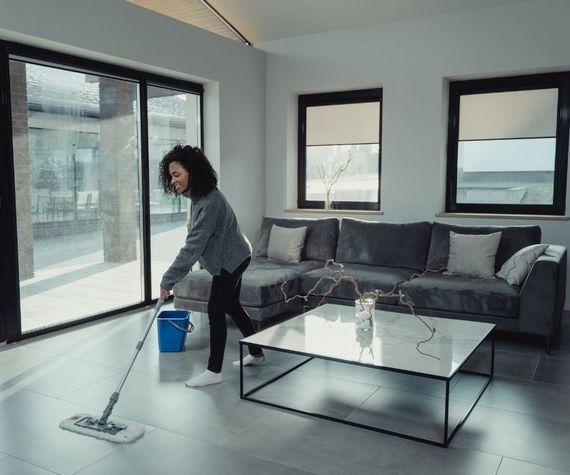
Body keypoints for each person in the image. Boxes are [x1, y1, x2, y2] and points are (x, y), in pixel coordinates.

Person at [159, 145, 265, 387]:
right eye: (170, 176)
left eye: (177, 175)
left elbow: (192, 246)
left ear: (192, 172)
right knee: (232, 306)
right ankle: (257, 353)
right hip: (231, 257)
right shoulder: (197, 197)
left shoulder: (210, 201)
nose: (173, 180)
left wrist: (168, 280)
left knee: (216, 311)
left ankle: (214, 371)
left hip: (233, 259)